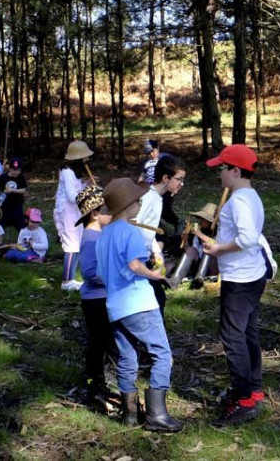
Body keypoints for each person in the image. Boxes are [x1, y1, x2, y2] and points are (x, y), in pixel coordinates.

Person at [96, 178, 183, 433]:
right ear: (129, 205)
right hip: (139, 303)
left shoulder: (103, 236)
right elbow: (135, 266)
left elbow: (103, 274)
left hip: (114, 305)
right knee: (162, 354)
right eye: (137, 200)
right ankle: (157, 416)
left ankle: (130, 414)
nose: (140, 203)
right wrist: (157, 274)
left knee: (127, 356)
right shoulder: (131, 232)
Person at [204, 144, 273, 427]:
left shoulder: (239, 201)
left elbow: (246, 238)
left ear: (235, 171)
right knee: (247, 332)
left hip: (241, 279)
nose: (219, 173)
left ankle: (244, 399)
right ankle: (253, 388)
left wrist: (219, 248)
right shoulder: (249, 196)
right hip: (250, 275)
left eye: (222, 168)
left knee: (233, 337)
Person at [74, 185, 116, 404]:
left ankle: (100, 378)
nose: (112, 213)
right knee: (98, 341)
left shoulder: (99, 233)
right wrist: (113, 275)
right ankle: (95, 381)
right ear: (95, 213)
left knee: (103, 339)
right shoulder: (91, 237)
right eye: (108, 209)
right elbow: (90, 271)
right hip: (95, 299)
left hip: (103, 296)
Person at [134, 153, 186, 315]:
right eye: (179, 179)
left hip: (145, 256)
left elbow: (149, 229)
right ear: (165, 178)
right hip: (136, 259)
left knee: (158, 299)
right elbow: (133, 225)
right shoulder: (148, 197)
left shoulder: (158, 198)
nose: (181, 184)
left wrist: (156, 251)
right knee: (155, 300)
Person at [55, 140, 94, 292]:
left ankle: (71, 278)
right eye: (85, 157)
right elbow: (72, 197)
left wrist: (86, 184)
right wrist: (88, 193)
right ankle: (66, 281)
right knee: (71, 245)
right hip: (67, 212)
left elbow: (76, 191)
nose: (87, 160)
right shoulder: (67, 172)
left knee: (77, 243)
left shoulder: (73, 172)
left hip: (74, 211)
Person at [0, 158, 28, 235]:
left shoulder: (21, 177)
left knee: (21, 226)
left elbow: (24, 190)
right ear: (10, 169)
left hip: (16, 206)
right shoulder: (3, 177)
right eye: (14, 170)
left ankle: (24, 240)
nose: (17, 172)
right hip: (4, 206)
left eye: (18, 170)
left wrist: (13, 190)